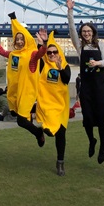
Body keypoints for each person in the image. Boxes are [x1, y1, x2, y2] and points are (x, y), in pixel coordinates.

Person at [67, 0, 104, 164]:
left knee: (102, 119)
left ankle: (102, 146)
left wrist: (97, 62)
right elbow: (71, 29)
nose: (86, 33)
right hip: (87, 87)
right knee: (87, 119)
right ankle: (92, 141)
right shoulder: (80, 47)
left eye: (89, 31)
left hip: (100, 86)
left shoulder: (102, 45)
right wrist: (70, 12)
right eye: (84, 31)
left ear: (93, 32)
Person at [0, 14, 42, 147]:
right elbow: (2, 51)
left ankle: (38, 133)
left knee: (21, 121)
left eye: (22, 39)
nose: (19, 41)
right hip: (14, 92)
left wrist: (43, 44)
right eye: (17, 39)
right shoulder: (13, 55)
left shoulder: (31, 54)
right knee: (13, 112)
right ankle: (38, 125)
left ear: (26, 40)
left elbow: (40, 54)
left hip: (26, 92)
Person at [32, 31, 71, 176]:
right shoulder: (43, 64)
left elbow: (66, 79)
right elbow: (39, 54)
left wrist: (60, 67)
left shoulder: (65, 66)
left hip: (61, 105)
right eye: (49, 53)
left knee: (61, 134)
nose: (52, 54)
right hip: (47, 104)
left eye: (55, 52)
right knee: (50, 131)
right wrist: (43, 43)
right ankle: (42, 132)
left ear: (59, 52)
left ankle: (60, 162)